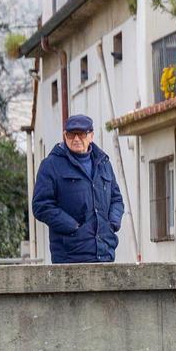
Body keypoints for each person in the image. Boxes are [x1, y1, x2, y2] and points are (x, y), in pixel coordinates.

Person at [31, 112, 123, 264]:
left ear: (91, 136)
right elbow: (41, 205)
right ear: (64, 135)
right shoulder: (51, 165)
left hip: (105, 253)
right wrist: (73, 227)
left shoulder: (104, 164)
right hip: (70, 256)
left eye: (81, 134)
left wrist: (112, 223)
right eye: (70, 135)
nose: (76, 139)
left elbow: (116, 198)